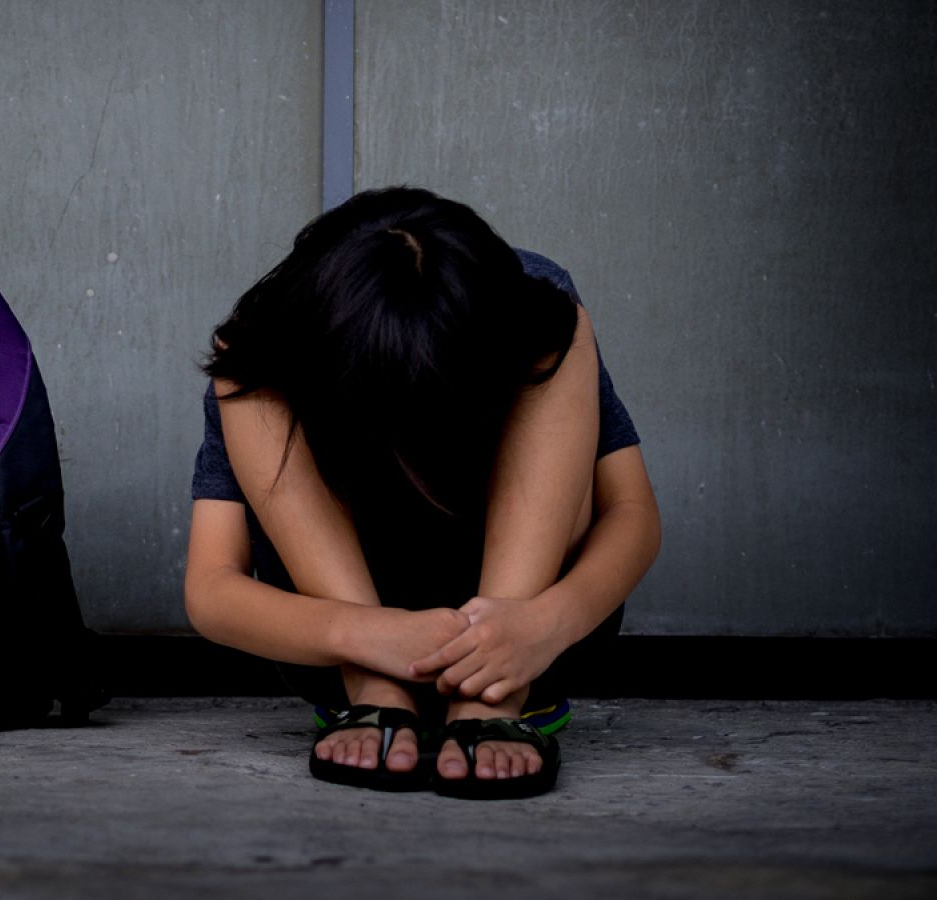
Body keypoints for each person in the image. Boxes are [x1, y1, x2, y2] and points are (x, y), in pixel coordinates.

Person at [183, 186, 661, 799]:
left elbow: (631, 512)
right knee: (252, 361)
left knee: (555, 326)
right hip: (342, 637)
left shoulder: (527, 303)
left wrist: (546, 623)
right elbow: (211, 588)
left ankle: (491, 697)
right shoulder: (279, 327)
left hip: (526, 629)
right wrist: (364, 638)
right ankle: (376, 690)